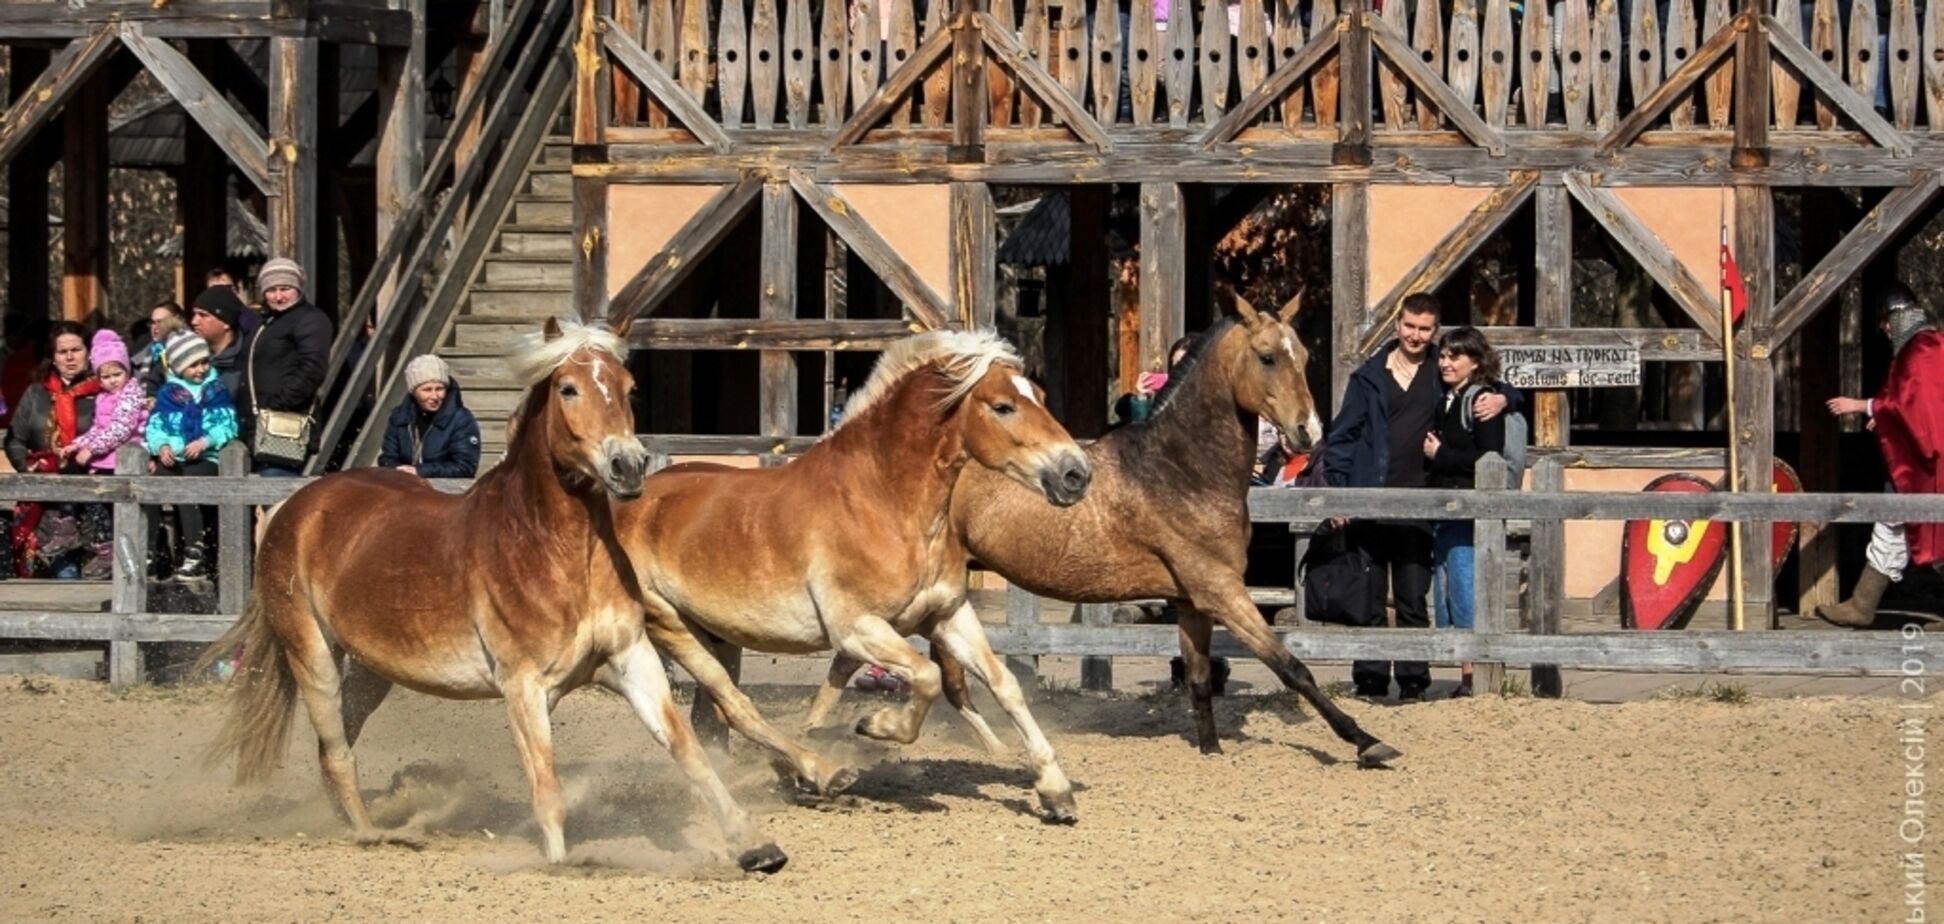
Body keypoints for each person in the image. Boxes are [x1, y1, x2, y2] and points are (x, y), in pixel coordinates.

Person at [1316, 293, 1510, 701]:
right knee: (1368, 600)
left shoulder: (1440, 372)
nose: (1416, 335)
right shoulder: (1368, 377)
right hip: (1369, 499)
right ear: (1397, 325)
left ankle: (1412, 680)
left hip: (1421, 502)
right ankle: (1369, 679)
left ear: (1434, 331)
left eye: (1425, 329)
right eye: (1409, 326)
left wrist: (1510, 397)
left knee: (1411, 597)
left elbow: (1483, 377)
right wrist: (1337, 492)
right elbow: (1342, 437)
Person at [1817, 283, 1944, 627]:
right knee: (1898, 520)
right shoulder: (1927, 349)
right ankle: (1862, 604)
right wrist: (1887, 422)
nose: (1885, 328)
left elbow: (1912, 407)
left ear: (1900, 316)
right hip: (1921, 457)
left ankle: (1861, 605)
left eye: (1887, 321)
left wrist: (1860, 406)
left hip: (1926, 462)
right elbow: (1917, 409)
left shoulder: (1921, 352)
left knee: (1910, 521)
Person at [1421, 327, 1506, 698]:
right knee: (1448, 587)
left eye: (1455, 356)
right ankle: (1466, 674)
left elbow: (1488, 459)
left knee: (1466, 584)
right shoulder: (1448, 399)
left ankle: (1476, 677)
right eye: (1442, 356)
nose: (1445, 362)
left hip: (1468, 509)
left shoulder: (1482, 401)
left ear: (1475, 361)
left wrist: (1441, 456)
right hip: (1446, 507)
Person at [5, 321, 105, 578]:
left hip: (95, 498)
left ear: (88, 352)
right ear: (52, 357)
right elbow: (15, 438)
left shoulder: (105, 392)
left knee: (99, 586)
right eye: (63, 352)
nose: (70, 357)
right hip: (49, 501)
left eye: (76, 349)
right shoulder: (36, 393)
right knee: (64, 577)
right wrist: (25, 466)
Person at [146, 332, 240, 579]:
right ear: (179, 367)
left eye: (204, 362)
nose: (200, 369)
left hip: (205, 456)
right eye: (193, 365)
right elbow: (155, 426)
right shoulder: (168, 395)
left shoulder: (216, 390)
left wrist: (206, 440)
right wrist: (161, 446)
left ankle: (194, 549)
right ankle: (150, 547)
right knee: (150, 487)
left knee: (186, 487)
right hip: (175, 455)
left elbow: (228, 424)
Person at [239, 257, 333, 476]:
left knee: (277, 491)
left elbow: (312, 367)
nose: (279, 296)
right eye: (271, 290)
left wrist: (279, 403)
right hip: (258, 425)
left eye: (285, 288)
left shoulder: (310, 320)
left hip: (285, 425)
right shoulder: (266, 322)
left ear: (297, 289)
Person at [377, 354, 482, 478]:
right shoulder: (400, 417)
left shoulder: (461, 419)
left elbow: (465, 466)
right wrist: (397, 469)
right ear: (414, 392)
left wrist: (420, 471)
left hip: (445, 491)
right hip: (405, 487)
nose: (434, 396)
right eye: (427, 390)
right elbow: (388, 457)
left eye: (439, 389)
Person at [61, 330, 149, 474]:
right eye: (106, 377)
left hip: (125, 456)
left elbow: (120, 429)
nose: (113, 380)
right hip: (104, 452)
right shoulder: (103, 397)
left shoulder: (131, 394)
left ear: (127, 371)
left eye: (117, 374)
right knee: (68, 472)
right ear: (99, 379)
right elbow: (98, 428)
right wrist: (77, 444)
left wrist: (92, 449)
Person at [188, 285, 249, 396]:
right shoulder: (190, 356)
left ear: (226, 322)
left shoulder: (248, 360)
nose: (194, 321)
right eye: (194, 314)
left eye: (203, 315)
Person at [137, 300, 188, 394]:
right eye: (152, 322)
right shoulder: (148, 354)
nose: (155, 327)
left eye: (160, 322)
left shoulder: (188, 349)